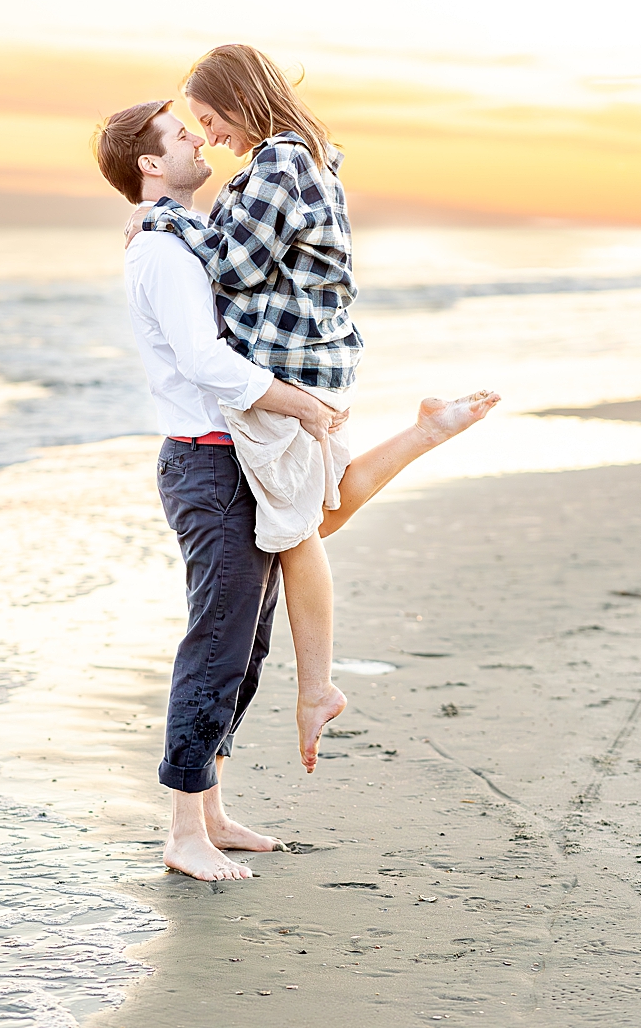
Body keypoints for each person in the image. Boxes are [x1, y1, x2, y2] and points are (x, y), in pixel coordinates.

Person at [92, 98, 497, 881]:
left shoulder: (187, 236)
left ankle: (210, 807)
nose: (196, 142)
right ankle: (183, 829)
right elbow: (207, 360)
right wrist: (300, 400)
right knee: (217, 641)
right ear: (149, 163)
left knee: (248, 644)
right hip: (208, 462)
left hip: (236, 454)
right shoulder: (160, 250)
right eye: (180, 136)